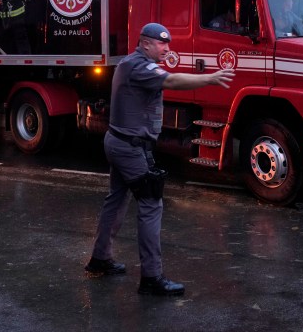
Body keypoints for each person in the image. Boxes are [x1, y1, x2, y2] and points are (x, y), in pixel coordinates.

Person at [84, 23, 235, 296]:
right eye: (162, 43)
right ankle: (152, 278)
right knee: (151, 203)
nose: (167, 48)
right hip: (129, 148)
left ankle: (100, 258)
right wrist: (210, 79)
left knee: (116, 200)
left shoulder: (132, 63)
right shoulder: (139, 67)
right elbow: (172, 81)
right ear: (145, 43)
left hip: (120, 143)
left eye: (168, 43)